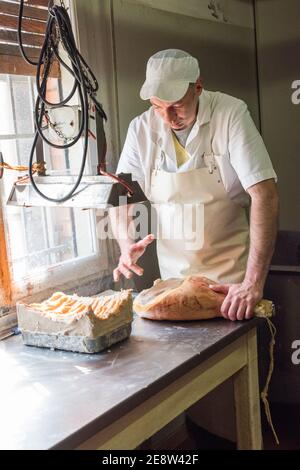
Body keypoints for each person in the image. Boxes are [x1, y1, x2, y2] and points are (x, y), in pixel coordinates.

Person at [111, 49, 279, 321]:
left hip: (231, 288)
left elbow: (265, 195)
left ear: (198, 87)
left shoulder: (230, 114)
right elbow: (121, 197)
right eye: (157, 107)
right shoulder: (140, 129)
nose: (168, 117)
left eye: (176, 106)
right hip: (173, 286)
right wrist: (125, 243)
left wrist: (252, 284)